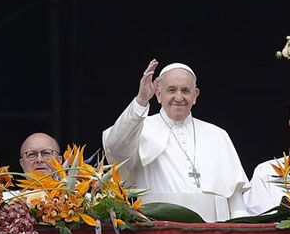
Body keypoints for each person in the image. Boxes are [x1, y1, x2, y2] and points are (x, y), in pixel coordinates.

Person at [102, 59, 250, 222]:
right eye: (171, 90)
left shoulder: (217, 135)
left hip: (214, 233)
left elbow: (235, 198)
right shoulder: (140, 129)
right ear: (158, 94)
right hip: (159, 230)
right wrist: (141, 99)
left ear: (195, 96)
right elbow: (115, 147)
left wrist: (241, 227)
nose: (178, 97)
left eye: (185, 91)